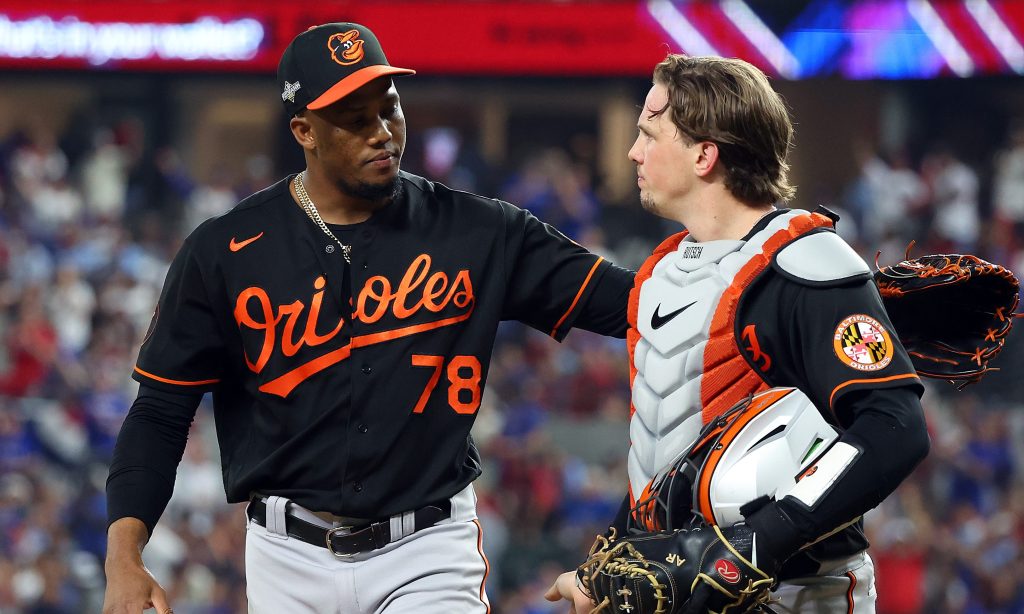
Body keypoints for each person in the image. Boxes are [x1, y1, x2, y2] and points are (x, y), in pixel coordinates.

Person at [102, 22, 634, 614]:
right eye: (356, 120)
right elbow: (159, 411)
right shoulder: (223, 251)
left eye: (390, 110)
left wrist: (725, 240)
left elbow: (635, 305)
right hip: (286, 555)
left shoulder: (479, 231)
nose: (382, 133)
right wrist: (124, 556)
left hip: (428, 548)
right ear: (303, 130)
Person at [547, 54, 930, 613]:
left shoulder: (807, 261)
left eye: (649, 133)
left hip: (796, 595)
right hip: (690, 594)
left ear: (705, 155)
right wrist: (604, 566)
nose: (633, 151)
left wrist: (757, 543)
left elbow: (895, 426)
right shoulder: (662, 272)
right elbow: (668, 450)